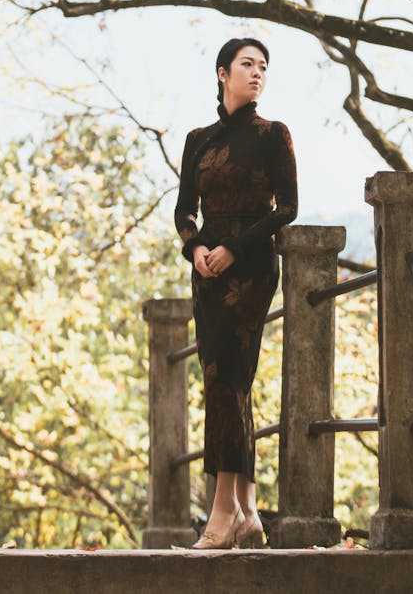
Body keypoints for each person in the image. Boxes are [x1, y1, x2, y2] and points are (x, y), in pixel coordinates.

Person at [174, 37, 298, 549]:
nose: (257, 73)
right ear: (222, 73)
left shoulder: (273, 134)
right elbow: (185, 213)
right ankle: (245, 511)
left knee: (228, 379)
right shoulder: (198, 139)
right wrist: (197, 249)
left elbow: (286, 208)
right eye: (247, 64)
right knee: (226, 384)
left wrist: (230, 248)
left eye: (263, 66)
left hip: (250, 267)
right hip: (208, 274)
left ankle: (220, 512)